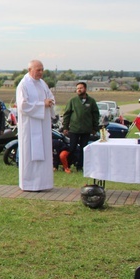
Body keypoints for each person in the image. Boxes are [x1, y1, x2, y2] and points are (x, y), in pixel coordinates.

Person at [16, 59, 56, 191]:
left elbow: (50, 96)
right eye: (38, 70)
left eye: (42, 69)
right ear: (30, 70)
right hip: (29, 125)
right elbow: (23, 106)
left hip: (43, 124)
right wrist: (41, 104)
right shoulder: (23, 85)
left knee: (44, 152)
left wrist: (50, 102)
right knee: (29, 153)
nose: (41, 72)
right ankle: (29, 184)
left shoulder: (42, 83)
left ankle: (43, 184)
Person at [62, 81, 100, 172]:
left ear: (85, 89)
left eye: (81, 88)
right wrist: (65, 127)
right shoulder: (73, 101)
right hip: (74, 129)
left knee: (84, 148)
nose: (79, 90)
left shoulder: (91, 101)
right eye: (77, 88)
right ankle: (68, 165)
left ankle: (80, 166)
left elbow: (95, 115)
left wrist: (95, 128)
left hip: (86, 129)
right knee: (72, 148)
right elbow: (67, 114)